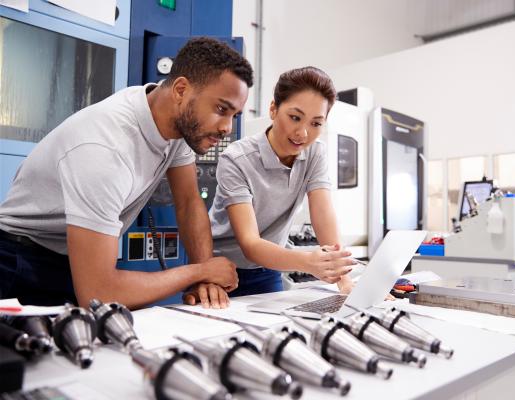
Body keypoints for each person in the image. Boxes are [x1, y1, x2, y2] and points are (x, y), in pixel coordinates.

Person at [0, 37, 253, 309]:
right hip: (18, 263)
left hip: (70, 260)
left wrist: (206, 280)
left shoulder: (176, 125)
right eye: (221, 109)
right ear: (181, 90)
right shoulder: (105, 148)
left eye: (234, 116)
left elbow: (189, 203)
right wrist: (200, 272)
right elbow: (99, 293)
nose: (227, 127)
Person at [184, 66, 355, 308]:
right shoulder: (237, 159)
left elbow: (323, 216)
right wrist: (307, 262)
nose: (303, 133)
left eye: (316, 123)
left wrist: (344, 281)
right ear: (273, 109)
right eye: (295, 117)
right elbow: (250, 243)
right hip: (222, 272)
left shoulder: (315, 153)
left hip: (268, 269)